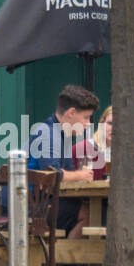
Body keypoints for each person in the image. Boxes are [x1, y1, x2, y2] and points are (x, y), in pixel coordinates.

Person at [27, 83, 100, 240]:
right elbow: (54, 175)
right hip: (30, 208)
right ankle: (66, 265)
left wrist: (71, 175)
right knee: (91, 214)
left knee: (93, 210)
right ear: (71, 113)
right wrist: (81, 175)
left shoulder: (63, 136)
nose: (88, 124)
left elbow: (64, 175)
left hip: (42, 202)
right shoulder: (48, 133)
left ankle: (65, 263)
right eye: (86, 117)